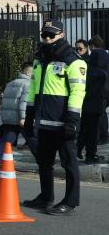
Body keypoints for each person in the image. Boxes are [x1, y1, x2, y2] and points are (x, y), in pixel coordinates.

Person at [23, 19, 86, 215]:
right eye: (44, 35)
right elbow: (33, 88)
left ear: (62, 35)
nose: (47, 39)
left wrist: (72, 120)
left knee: (69, 163)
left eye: (51, 35)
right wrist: (29, 114)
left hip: (64, 122)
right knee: (44, 162)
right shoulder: (40, 59)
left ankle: (70, 202)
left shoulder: (74, 61)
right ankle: (45, 197)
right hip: (44, 121)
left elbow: (78, 91)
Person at [0, 62, 34, 168]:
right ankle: (45, 162)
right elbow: (24, 102)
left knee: (5, 140)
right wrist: (23, 117)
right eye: (34, 72)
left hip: (9, 118)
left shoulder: (10, 83)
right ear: (28, 72)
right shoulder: (28, 84)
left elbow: (5, 101)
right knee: (33, 139)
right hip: (19, 118)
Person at [76, 49, 107, 163]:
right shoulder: (102, 73)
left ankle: (78, 149)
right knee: (93, 132)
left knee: (83, 129)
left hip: (83, 105)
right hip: (95, 106)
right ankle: (90, 155)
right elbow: (104, 91)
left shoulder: (85, 69)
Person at [88, 35, 109, 144]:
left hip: (99, 89)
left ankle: (101, 136)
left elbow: (94, 71)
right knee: (102, 113)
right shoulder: (106, 54)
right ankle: (104, 135)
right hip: (105, 89)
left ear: (93, 45)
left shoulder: (96, 54)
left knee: (98, 114)